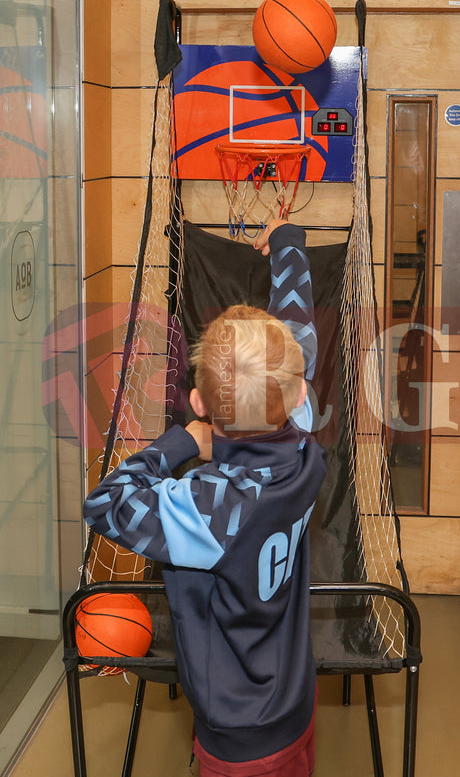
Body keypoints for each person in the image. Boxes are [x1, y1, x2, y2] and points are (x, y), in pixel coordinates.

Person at [83, 219, 327, 776]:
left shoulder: (208, 507)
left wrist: (179, 444)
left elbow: (107, 502)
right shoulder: (306, 446)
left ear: (197, 402)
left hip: (241, 736)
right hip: (294, 701)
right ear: (295, 394)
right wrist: (288, 245)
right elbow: (299, 328)